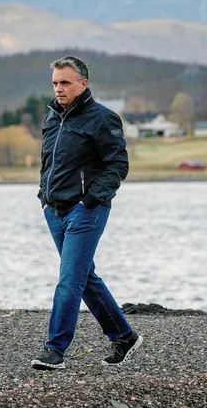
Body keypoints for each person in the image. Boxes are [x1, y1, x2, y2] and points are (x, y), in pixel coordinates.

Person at [31, 55, 143, 371]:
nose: (59, 89)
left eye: (65, 82)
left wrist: (90, 200)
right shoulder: (53, 117)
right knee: (84, 277)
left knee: (69, 279)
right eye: (55, 83)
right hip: (54, 211)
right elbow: (47, 162)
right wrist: (43, 198)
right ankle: (124, 336)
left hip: (86, 212)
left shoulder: (102, 119)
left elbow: (118, 165)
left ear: (83, 84)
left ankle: (55, 349)